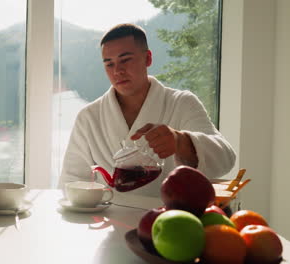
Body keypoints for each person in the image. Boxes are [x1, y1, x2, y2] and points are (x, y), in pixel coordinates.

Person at [58, 23, 236, 199]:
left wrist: (180, 141)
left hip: (169, 219)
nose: (118, 71)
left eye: (125, 59)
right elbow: (70, 183)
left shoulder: (181, 103)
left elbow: (226, 159)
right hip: (107, 221)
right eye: (109, 64)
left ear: (148, 58)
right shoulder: (89, 117)